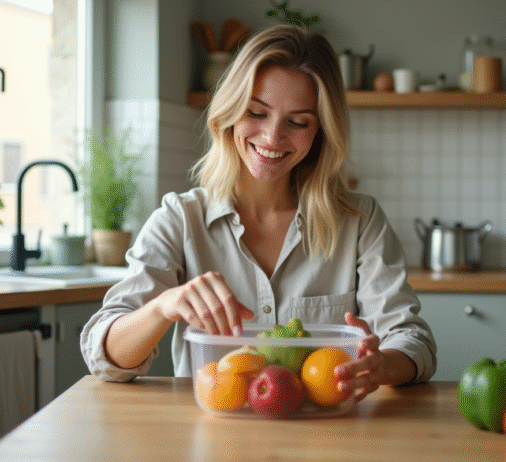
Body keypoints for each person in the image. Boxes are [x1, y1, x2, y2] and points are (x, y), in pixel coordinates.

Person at [81, 25, 437, 402]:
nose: (271, 137)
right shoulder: (180, 218)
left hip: (327, 439)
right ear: (231, 111)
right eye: (256, 112)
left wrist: (383, 364)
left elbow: (413, 340)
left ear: (320, 133)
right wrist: (162, 306)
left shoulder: (360, 220)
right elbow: (104, 359)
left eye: (298, 122)